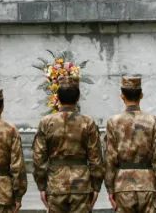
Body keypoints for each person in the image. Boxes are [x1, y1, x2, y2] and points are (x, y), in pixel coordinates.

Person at [32, 75, 105, 213]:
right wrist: (96, 187)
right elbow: (96, 159)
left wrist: (42, 186)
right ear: (78, 98)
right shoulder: (88, 122)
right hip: (81, 185)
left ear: (58, 98)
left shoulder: (46, 122)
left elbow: (38, 158)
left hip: (55, 184)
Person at [104, 75, 156, 213]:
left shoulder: (113, 122)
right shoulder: (153, 121)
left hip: (122, 185)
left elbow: (110, 157)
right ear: (141, 95)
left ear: (122, 96)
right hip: (148, 184)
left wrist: (110, 188)